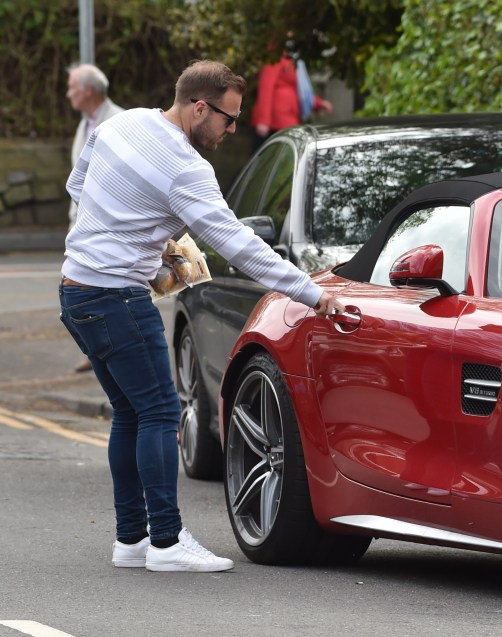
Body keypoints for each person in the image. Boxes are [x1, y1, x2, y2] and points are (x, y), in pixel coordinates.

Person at [58, 59, 343, 573]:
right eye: (228, 119)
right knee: (162, 414)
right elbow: (236, 242)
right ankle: (167, 542)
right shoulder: (187, 168)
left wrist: (147, 235)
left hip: (76, 291)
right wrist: (311, 294)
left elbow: (78, 186)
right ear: (198, 107)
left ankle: (132, 540)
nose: (233, 130)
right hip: (117, 298)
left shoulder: (119, 125)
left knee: (130, 413)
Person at [65, 63, 125, 373]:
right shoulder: (86, 122)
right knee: (78, 291)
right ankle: (96, 350)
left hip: (106, 226)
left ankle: (105, 352)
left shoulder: (117, 120)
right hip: (83, 223)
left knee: (99, 292)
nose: (68, 93)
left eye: (73, 87)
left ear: (88, 90)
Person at [250, 50, 331, 152]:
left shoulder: (293, 59)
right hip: (275, 122)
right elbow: (266, 87)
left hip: (287, 120)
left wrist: (318, 103)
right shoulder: (276, 57)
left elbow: (300, 90)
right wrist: (263, 121)